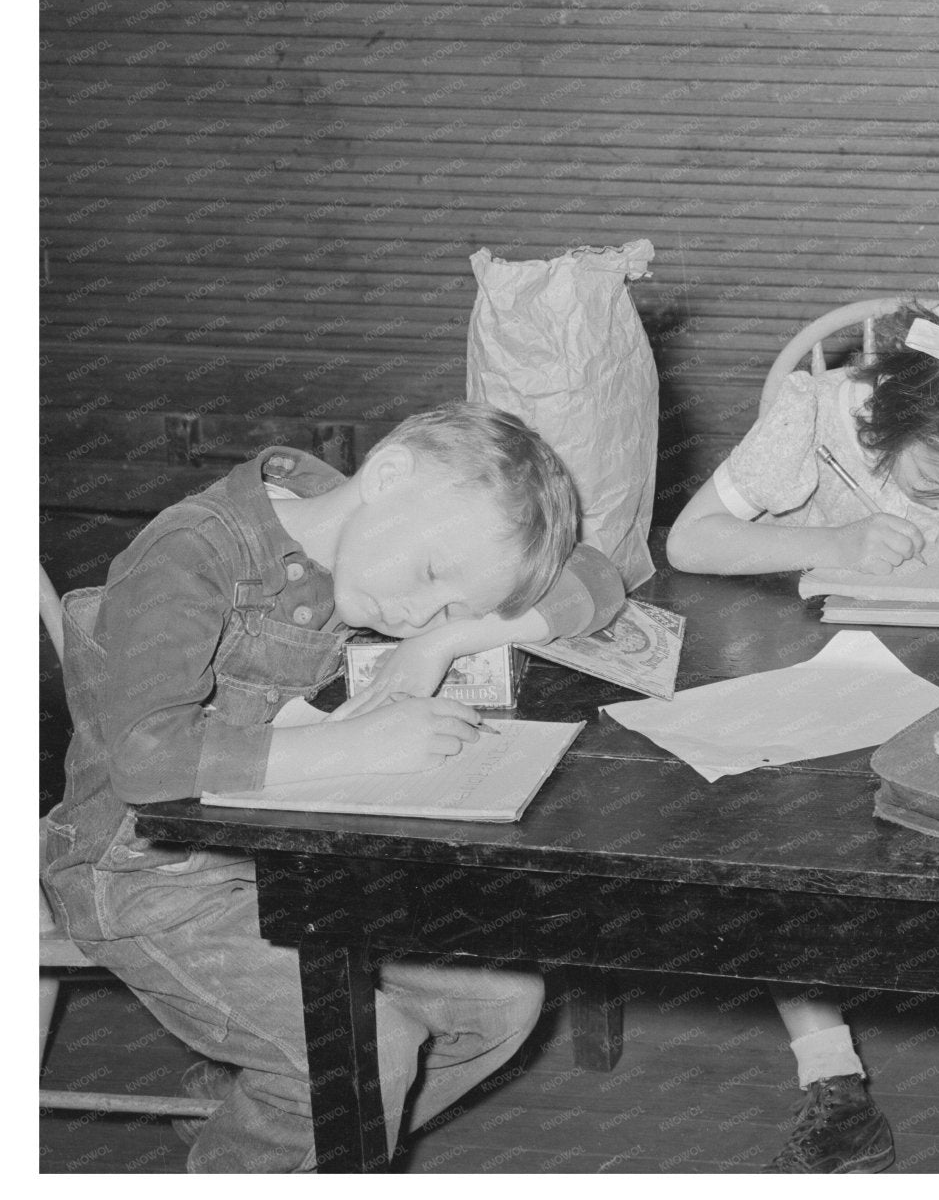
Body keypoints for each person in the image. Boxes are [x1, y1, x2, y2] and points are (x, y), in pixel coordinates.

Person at [41, 402, 626, 1172]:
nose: (417, 609)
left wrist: (445, 637)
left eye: (448, 602)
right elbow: (146, 760)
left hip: (275, 864)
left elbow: (601, 575)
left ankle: (290, 1111)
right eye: (431, 577)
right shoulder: (193, 549)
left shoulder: (355, 532)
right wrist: (355, 741)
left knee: (502, 1002)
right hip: (141, 875)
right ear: (385, 475)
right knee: (362, 1049)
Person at [666, 280, 939, 1172]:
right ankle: (829, 1072)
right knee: (793, 845)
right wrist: (833, 543)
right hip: (807, 667)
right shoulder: (818, 415)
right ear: (883, 421)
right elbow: (689, 542)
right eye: (933, 486)